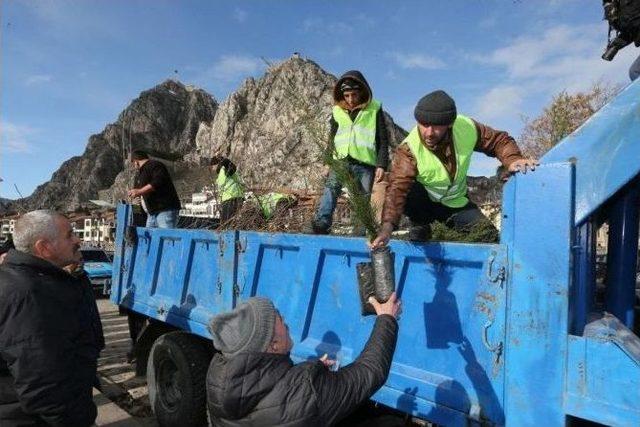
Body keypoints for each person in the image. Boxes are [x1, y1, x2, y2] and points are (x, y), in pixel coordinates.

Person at [371, 90, 538, 248]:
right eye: (424, 124)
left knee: (489, 238)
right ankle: (420, 224)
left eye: (436, 126)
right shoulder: (408, 149)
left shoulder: (466, 128)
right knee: (407, 189)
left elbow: (499, 140)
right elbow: (397, 189)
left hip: (455, 203)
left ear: (449, 124)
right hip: (423, 204)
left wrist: (513, 159)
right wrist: (387, 228)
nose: (429, 133)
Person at [206, 293, 401, 426]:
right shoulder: (305, 393)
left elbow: (278, 387)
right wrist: (386, 318)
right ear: (273, 345)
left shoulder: (218, 380)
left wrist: (312, 370)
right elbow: (369, 372)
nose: (286, 322)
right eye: (280, 319)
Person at [0, 210, 103, 426]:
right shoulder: (30, 294)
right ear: (44, 248)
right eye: (69, 235)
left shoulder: (33, 279)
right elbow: (43, 381)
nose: (78, 239)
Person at [310, 70, 389, 234]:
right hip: (340, 160)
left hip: (364, 163)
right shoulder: (337, 111)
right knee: (330, 190)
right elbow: (332, 137)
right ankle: (322, 224)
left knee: (362, 198)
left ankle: (359, 231)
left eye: (354, 94)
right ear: (342, 95)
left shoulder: (374, 108)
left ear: (362, 92)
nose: (351, 99)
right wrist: (327, 162)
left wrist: (382, 164)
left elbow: (382, 139)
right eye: (347, 95)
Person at [128, 150, 181, 228]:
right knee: (149, 239)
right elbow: (137, 194)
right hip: (151, 213)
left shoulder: (155, 165)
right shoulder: (139, 174)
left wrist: (139, 191)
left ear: (135, 161)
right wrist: (134, 200)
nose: (134, 166)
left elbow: (158, 182)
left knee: (166, 237)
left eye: (133, 164)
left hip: (164, 210)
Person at [210, 156, 244, 223]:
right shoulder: (221, 173)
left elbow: (230, 166)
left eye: (212, 166)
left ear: (216, 164)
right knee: (230, 222)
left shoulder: (225, 169)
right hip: (234, 198)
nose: (212, 169)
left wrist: (223, 161)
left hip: (231, 198)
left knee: (226, 223)